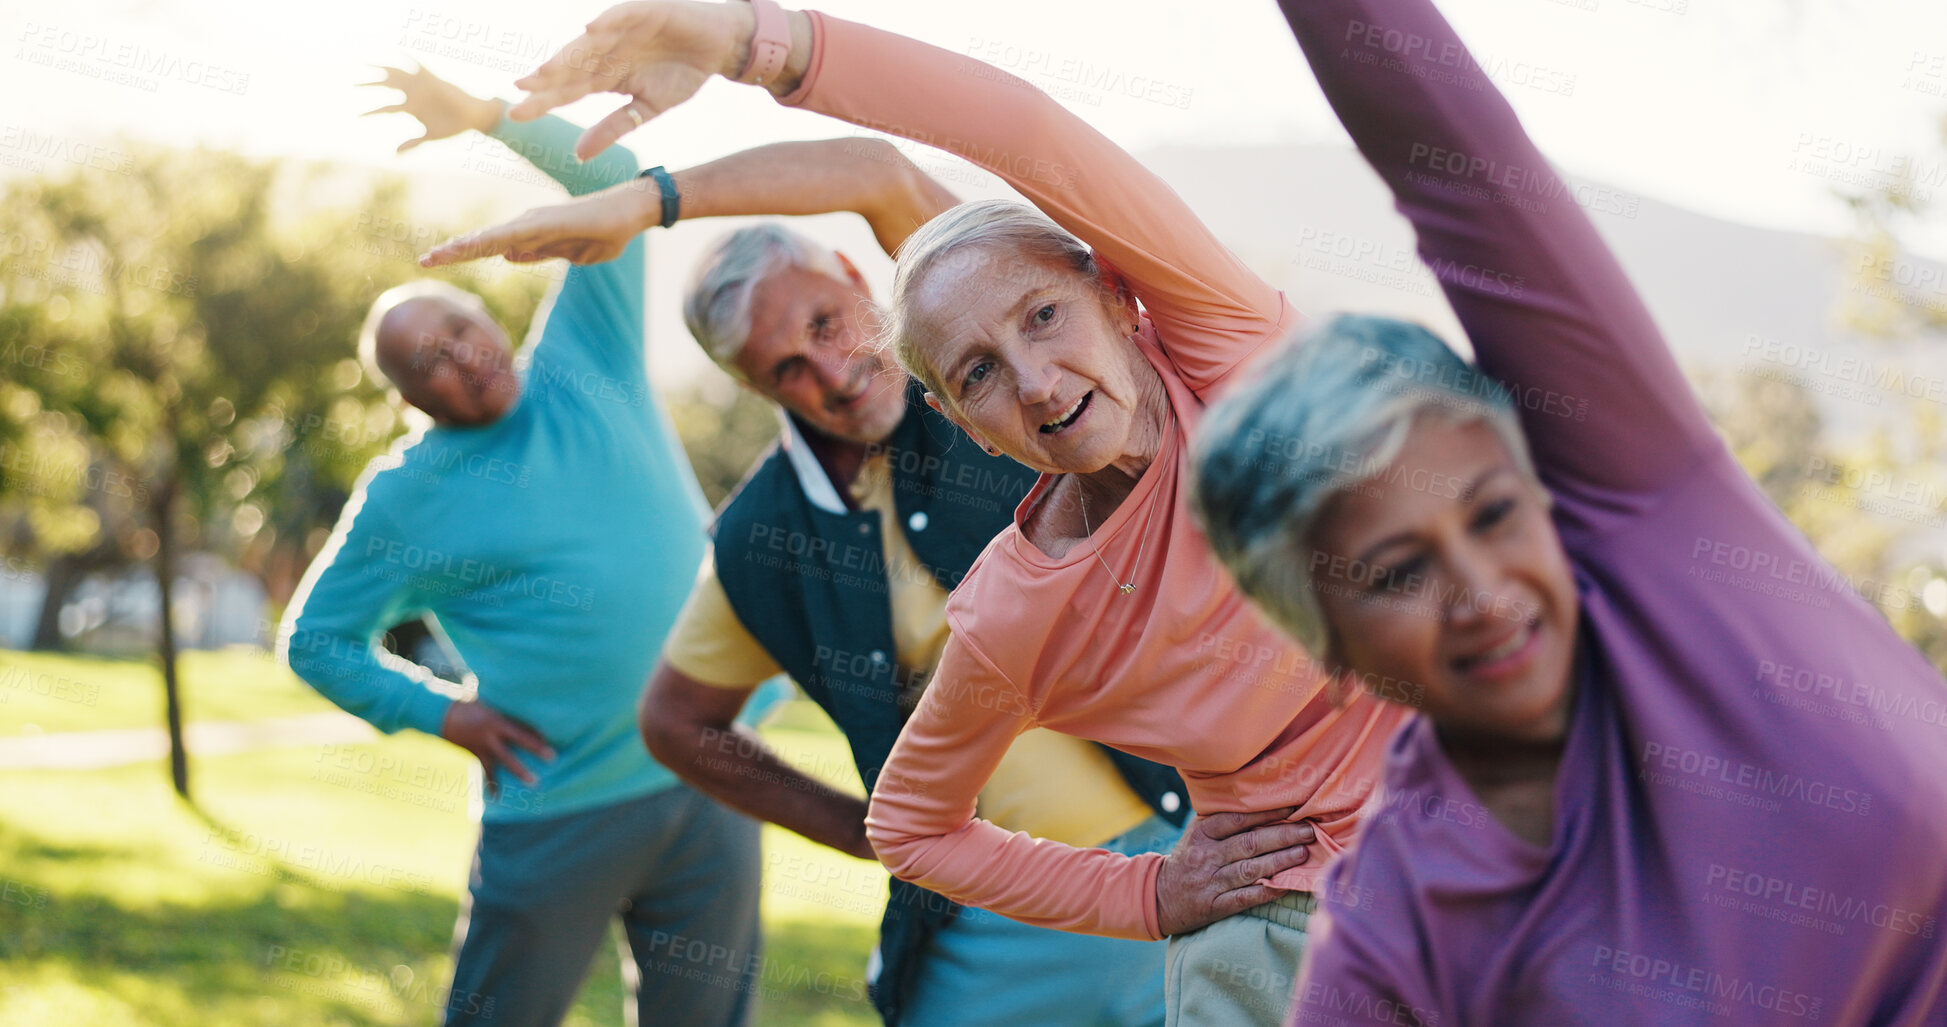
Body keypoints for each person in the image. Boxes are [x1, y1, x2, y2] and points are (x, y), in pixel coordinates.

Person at [424, 4, 1413, 1024]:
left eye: (1043, 320)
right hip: (1270, 904)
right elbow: (898, 819)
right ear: (963, 418)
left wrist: (728, 75)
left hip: (1480, 813)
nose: (1033, 381)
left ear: (1115, 296)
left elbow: (999, 139)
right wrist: (1151, 892)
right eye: (981, 372)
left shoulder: (1215, 338)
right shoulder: (986, 595)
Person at [1188, 1, 1947, 1023]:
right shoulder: (1395, 937)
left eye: (1494, 515)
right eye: (1399, 573)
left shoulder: (1656, 518)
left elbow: (1453, 163)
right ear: (1324, 648)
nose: (1485, 593)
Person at [431, 146, 1195, 1024]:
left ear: (849, 272)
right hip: (988, 914)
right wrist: (862, 826)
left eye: (828, 323)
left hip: (1172, 845)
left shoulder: (988, 389)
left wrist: (650, 202)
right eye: (786, 367)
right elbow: (675, 723)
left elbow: (884, 177)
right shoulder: (765, 534)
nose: (832, 371)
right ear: (750, 386)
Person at [279, 64, 797, 1027]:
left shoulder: (580, 357)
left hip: (714, 771)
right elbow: (313, 640)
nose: (460, 355)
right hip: (562, 805)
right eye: (426, 358)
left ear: (489, 316)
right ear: (407, 396)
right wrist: (445, 718)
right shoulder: (405, 498)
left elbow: (618, 174)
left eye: (461, 326)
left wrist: (483, 116)